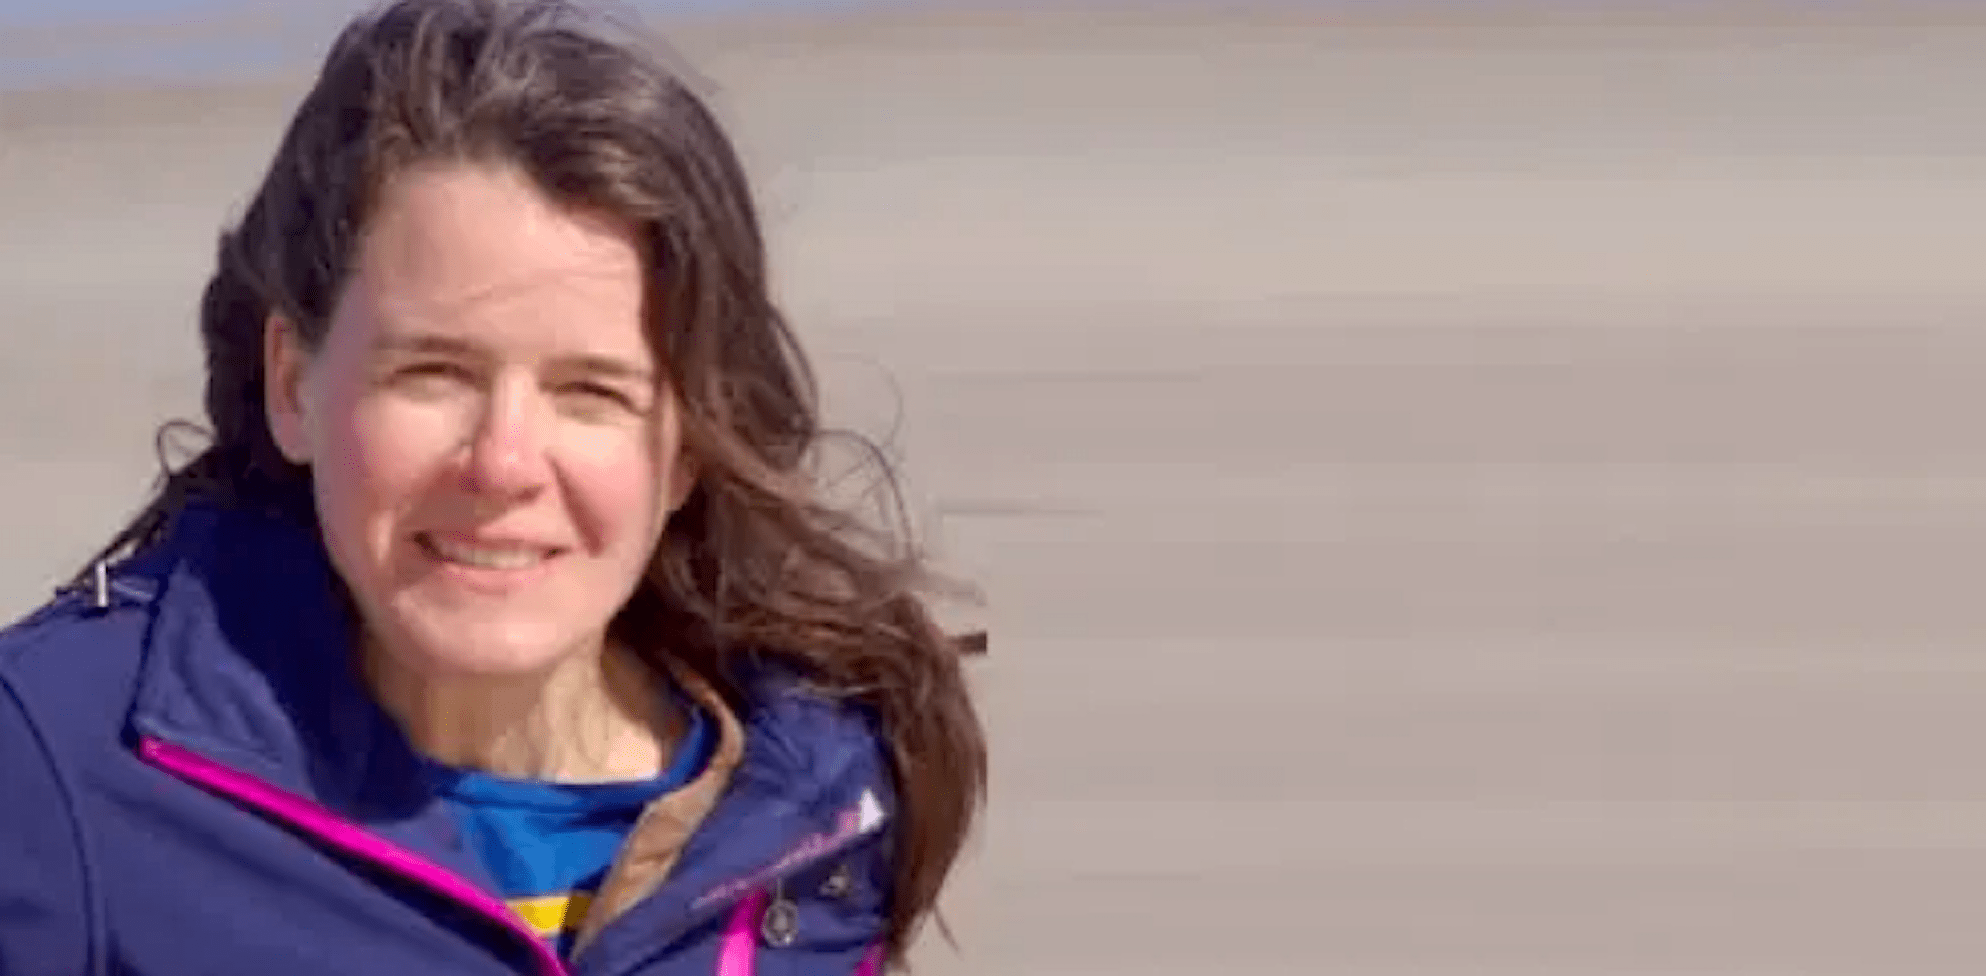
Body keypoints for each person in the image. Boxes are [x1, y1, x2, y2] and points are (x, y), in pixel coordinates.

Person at [0, 0, 986, 973]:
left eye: (591, 392)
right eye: (433, 373)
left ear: (690, 443)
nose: (504, 462)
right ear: (294, 384)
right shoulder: (55, 769)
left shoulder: (811, 807)